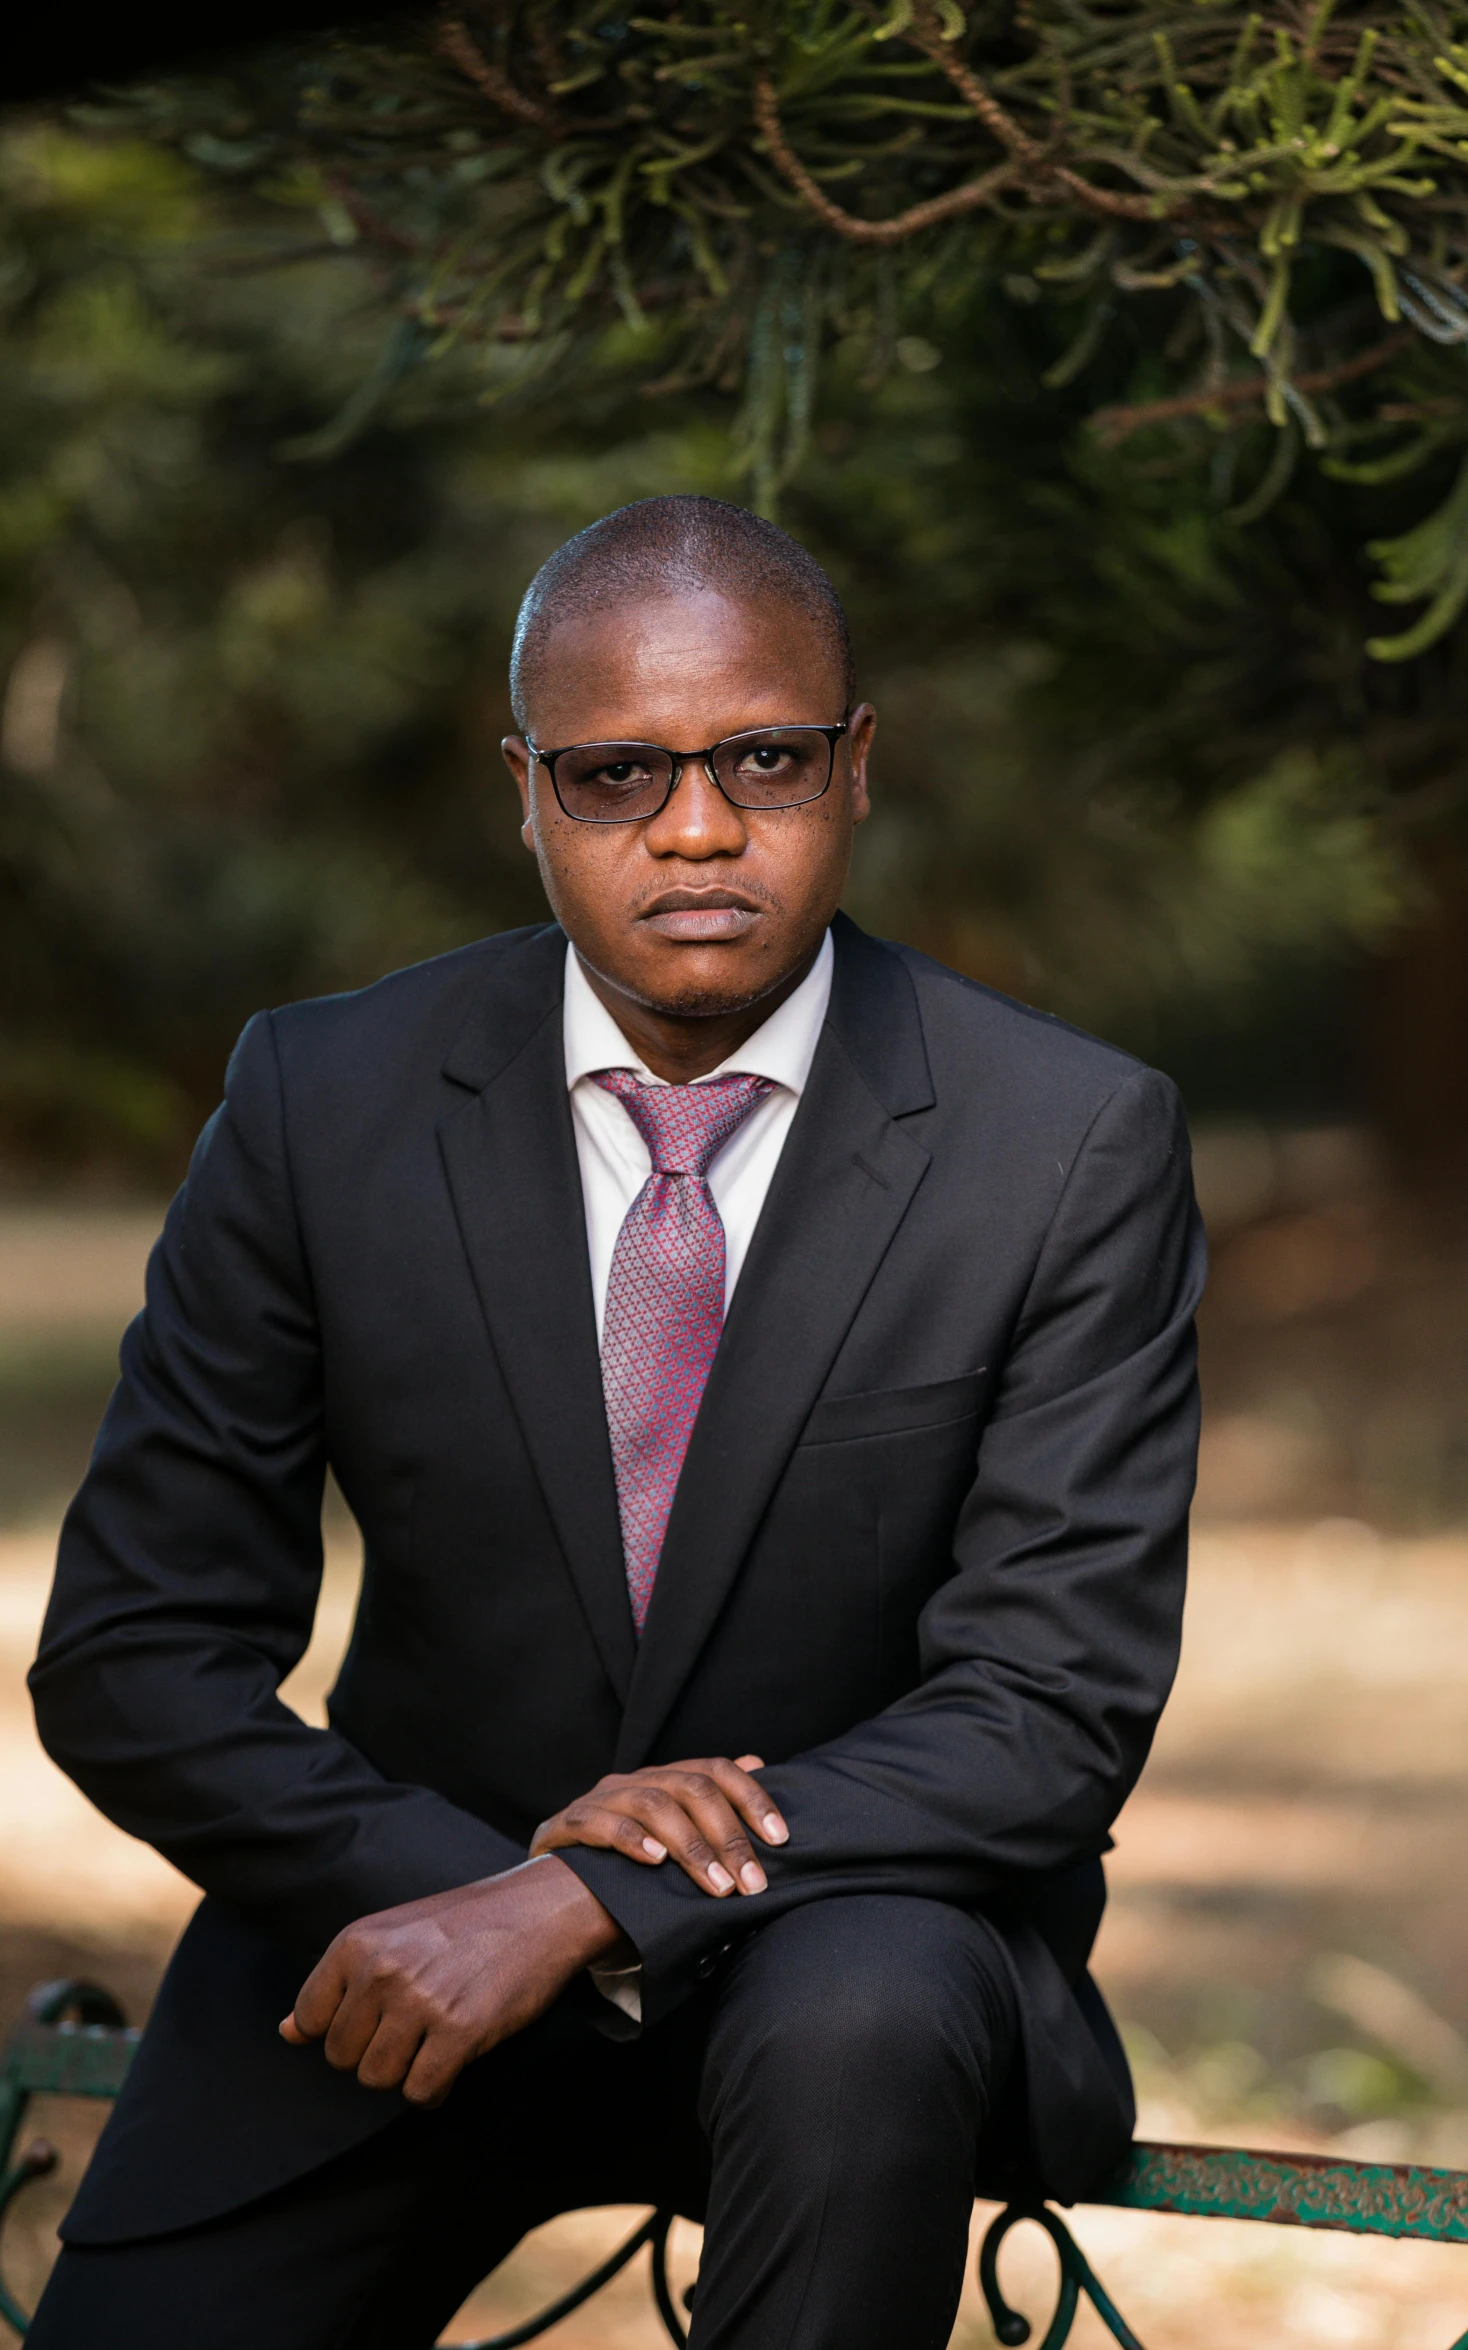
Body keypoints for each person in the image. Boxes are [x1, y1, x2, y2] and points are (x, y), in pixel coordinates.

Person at [26, 495, 1203, 2348]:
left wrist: (589, 1897)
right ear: (523, 787)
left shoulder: (1062, 1142)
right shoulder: (317, 1101)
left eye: (762, 755)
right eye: (611, 773)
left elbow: (1050, 1707)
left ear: (857, 761)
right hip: (393, 1928)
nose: (699, 826)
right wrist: (475, 1899)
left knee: (867, 2004)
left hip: (853, 1967)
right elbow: (135, 1655)